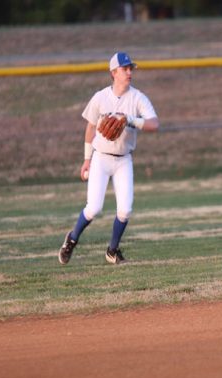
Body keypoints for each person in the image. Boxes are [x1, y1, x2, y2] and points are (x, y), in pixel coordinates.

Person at [58, 52, 159, 265]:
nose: (129, 72)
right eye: (125, 69)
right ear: (113, 72)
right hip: (101, 158)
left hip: (123, 160)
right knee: (93, 208)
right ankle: (72, 239)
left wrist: (130, 120)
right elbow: (91, 126)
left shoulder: (138, 98)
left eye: (131, 68)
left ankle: (112, 250)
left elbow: (154, 124)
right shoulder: (101, 97)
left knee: (125, 210)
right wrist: (87, 159)